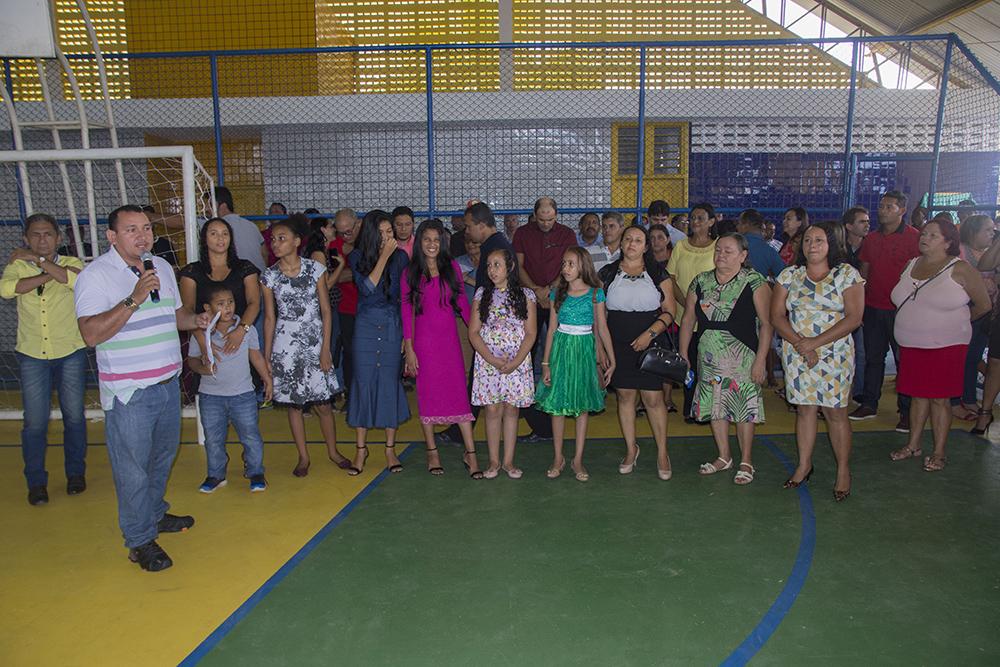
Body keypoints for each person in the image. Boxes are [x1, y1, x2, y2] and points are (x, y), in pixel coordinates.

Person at [75, 204, 211, 572]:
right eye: (132, 229)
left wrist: (193, 319)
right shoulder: (96, 276)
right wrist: (133, 298)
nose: (143, 235)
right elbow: (90, 333)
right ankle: (138, 541)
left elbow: (172, 317)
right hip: (130, 391)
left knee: (161, 458)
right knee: (132, 468)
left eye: (147, 228)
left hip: (167, 385)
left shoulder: (161, 267)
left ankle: (153, 514)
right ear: (112, 236)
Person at [771, 223, 864, 501]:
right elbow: (777, 316)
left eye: (819, 240)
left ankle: (843, 471)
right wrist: (802, 345)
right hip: (798, 353)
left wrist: (814, 344)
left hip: (834, 354)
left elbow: (853, 318)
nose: (812, 244)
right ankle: (804, 465)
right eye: (808, 240)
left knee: (835, 412)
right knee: (805, 410)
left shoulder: (847, 274)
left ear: (831, 244)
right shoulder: (789, 275)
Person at [0, 213, 87, 505]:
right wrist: (46, 270)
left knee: (74, 417)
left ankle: (76, 473)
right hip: (32, 354)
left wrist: (38, 264)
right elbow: (8, 289)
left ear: (58, 238)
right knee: (34, 422)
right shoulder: (15, 266)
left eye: (48, 234)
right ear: (26, 238)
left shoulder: (73, 262)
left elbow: (76, 281)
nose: (42, 239)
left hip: (70, 351)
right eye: (35, 235)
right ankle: (36, 482)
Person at [889, 219, 990, 471]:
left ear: (948, 242)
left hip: (946, 347)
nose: (925, 238)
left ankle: (939, 451)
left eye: (933, 235)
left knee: (939, 399)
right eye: (924, 233)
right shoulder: (911, 264)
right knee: (917, 397)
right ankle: (913, 444)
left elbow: (983, 305)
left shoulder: (961, 269)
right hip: (912, 345)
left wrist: (953, 322)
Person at [679, 233, 772, 485]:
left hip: (742, 356)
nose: (721, 255)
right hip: (708, 355)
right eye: (718, 250)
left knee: (743, 409)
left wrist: (761, 360)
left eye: (728, 251)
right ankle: (724, 456)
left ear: (743, 256)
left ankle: (746, 460)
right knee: (715, 406)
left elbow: (765, 324)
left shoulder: (754, 282)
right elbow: (688, 319)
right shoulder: (701, 281)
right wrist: (684, 353)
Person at [261, 218, 345, 477]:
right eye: (273, 239)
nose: (276, 243)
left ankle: (333, 452)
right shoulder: (269, 276)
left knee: (323, 404)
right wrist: (266, 358)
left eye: (282, 238)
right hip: (285, 347)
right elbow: (269, 318)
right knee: (294, 405)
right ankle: (303, 456)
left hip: (314, 343)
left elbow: (326, 311)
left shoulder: (315, 269)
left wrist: (325, 349)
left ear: (297, 241)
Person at [402, 219, 482, 479]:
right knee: (427, 396)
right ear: (419, 242)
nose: (432, 244)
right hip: (424, 345)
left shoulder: (453, 269)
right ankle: (432, 451)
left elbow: (462, 303)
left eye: (437, 240)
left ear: (443, 243)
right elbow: (406, 311)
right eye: (427, 240)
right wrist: (410, 348)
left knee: (459, 392)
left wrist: (476, 333)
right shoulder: (409, 273)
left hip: (450, 344)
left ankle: (470, 454)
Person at [599, 225, 677, 480]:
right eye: (628, 239)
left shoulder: (658, 275)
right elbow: (600, 316)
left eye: (638, 240)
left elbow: (669, 312)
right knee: (625, 397)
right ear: (621, 244)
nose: (633, 243)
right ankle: (631, 449)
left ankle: (663, 452)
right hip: (618, 344)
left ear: (646, 246)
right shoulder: (608, 274)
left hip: (650, 345)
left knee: (653, 399)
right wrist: (602, 348)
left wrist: (649, 335)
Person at [535, 247, 615, 482]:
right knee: (557, 405)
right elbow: (550, 329)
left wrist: (612, 358)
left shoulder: (595, 294)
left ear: (583, 266)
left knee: (582, 407)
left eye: (571, 264)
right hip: (561, 350)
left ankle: (577, 458)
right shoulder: (557, 294)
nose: (565, 268)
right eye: (564, 264)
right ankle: (558, 456)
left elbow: (602, 328)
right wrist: (546, 363)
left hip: (584, 351)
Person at [187, 285, 272, 493]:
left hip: (242, 395)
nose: (228, 308)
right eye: (221, 304)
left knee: (250, 436)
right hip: (211, 397)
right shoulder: (201, 334)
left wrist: (267, 379)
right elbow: (192, 361)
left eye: (231, 302)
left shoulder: (246, 329)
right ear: (207, 308)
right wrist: (203, 369)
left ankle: (256, 472)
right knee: (213, 438)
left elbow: (256, 356)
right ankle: (216, 474)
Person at [850, 190, 920, 431]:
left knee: (904, 361)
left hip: (903, 310)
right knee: (873, 358)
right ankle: (869, 403)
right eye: (881, 206)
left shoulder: (914, 238)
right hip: (873, 308)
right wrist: (862, 302)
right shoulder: (871, 239)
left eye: (889, 207)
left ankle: (907, 411)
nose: (882, 210)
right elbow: (864, 271)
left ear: (902, 210)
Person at [346, 210, 410, 475]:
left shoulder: (403, 258)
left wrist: (408, 336)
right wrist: (383, 256)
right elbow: (367, 288)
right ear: (371, 234)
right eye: (382, 233)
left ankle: (390, 449)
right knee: (363, 381)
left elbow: (406, 298)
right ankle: (361, 450)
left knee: (388, 382)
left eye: (390, 233)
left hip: (393, 324)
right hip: (366, 325)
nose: (388, 237)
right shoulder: (356, 256)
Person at [469, 248, 537, 478]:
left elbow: (530, 333)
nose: (492, 270)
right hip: (489, 362)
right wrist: (493, 359)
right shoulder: (481, 294)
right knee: (492, 409)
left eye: (497, 264)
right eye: (488, 265)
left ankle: (508, 461)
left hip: (517, 362)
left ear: (509, 267)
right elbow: (474, 333)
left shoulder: (526, 295)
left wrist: (516, 361)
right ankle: (493, 461)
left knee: (511, 409)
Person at [179, 217, 262, 372]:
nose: (220, 238)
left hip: (241, 340)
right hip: (206, 339)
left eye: (225, 233)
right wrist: (204, 344)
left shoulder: (245, 268)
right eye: (214, 233)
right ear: (204, 238)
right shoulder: (191, 272)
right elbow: (187, 312)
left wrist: (240, 331)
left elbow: (254, 303)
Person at [667, 202, 718, 419]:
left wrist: (702, 306)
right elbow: (671, 277)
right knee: (687, 363)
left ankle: (709, 409)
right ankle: (691, 408)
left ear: (711, 222)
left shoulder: (718, 246)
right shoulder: (680, 246)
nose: (695, 222)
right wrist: (687, 303)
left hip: (711, 317)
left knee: (708, 365)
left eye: (700, 218)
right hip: (683, 316)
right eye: (693, 218)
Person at [957, 214, 998, 420]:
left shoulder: (991, 252)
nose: (992, 234)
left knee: (974, 355)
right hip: (967, 309)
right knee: (966, 355)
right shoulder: (961, 252)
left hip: (986, 312)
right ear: (973, 232)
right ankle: (965, 397)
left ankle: (968, 395)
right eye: (988, 230)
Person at [841, 206, 870, 401]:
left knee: (861, 351)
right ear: (849, 226)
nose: (867, 225)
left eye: (868, 221)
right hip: (840, 307)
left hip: (864, 306)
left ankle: (859, 392)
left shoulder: (871, 246)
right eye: (862, 221)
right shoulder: (838, 249)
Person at [330, 208, 360, 397]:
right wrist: (361, 271)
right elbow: (335, 277)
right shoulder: (335, 245)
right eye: (341, 232)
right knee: (349, 353)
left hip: (367, 307)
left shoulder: (367, 241)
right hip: (346, 307)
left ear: (357, 224)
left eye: (349, 231)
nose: (346, 235)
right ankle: (350, 394)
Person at [737, 208, 785, 280]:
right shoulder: (770, 252)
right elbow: (783, 276)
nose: (737, 227)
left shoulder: (735, 244)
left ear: (746, 225)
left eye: (739, 223)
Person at [260, 202, 288, 268]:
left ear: (285, 215)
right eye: (271, 212)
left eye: (277, 211)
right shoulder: (262, 235)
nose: (274, 214)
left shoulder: (292, 234)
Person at [455, 233, 481, 303]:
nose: (470, 245)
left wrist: (468, 280)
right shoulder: (458, 262)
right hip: (463, 306)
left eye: (474, 242)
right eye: (467, 242)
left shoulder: (490, 261)